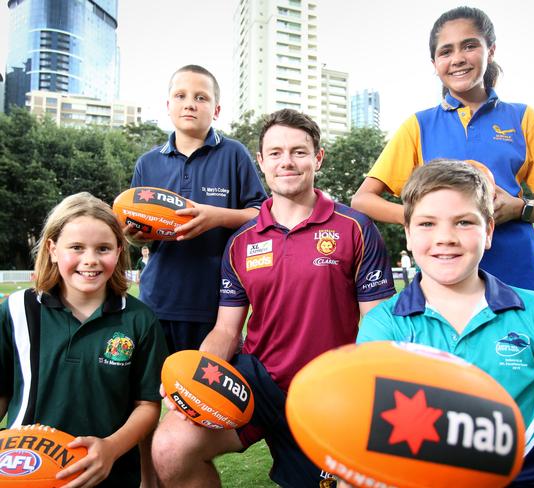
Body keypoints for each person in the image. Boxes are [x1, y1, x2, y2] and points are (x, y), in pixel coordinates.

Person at [152, 109, 396, 487]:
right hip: (259, 383)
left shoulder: (356, 228)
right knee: (170, 446)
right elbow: (226, 330)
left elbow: (378, 325)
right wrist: (192, 378)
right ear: (262, 161)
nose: (287, 161)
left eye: (299, 152)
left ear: (318, 158)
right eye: (276, 152)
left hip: (329, 390)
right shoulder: (241, 241)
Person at [357, 161, 534, 488]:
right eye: (427, 224)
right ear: (407, 233)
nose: (445, 238)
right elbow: (369, 445)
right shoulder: (384, 326)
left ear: (489, 231)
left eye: (464, 222)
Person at [351, 6, 534, 296]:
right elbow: (363, 200)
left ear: (490, 51)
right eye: (446, 51)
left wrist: (519, 208)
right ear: (434, 62)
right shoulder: (419, 125)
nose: (458, 59)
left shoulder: (523, 117)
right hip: (444, 277)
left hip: (518, 275)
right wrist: (426, 217)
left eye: (469, 46)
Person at [0, 192, 168, 487]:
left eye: (103, 248)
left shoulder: (139, 319)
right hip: (24, 470)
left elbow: (147, 405)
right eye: (76, 247)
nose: (90, 260)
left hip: (109, 473)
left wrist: (112, 448)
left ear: (118, 251)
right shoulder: (16, 310)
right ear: (52, 249)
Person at [129, 64, 267, 354]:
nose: (190, 103)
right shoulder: (147, 163)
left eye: (201, 97)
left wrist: (217, 216)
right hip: (158, 299)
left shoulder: (234, 154)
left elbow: (263, 215)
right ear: (168, 106)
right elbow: (135, 231)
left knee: (203, 394)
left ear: (216, 110)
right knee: (151, 391)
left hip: (217, 303)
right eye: (180, 96)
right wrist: (134, 235)